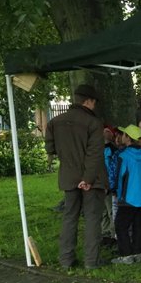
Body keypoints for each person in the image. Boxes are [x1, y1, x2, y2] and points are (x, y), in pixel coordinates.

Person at [44, 83, 109, 270]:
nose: (95, 106)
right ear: (88, 101)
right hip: (92, 180)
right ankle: (91, 261)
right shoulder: (93, 123)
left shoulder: (55, 122)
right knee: (92, 219)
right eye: (94, 102)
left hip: (68, 176)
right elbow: (95, 154)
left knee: (69, 217)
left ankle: (66, 260)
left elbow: (50, 148)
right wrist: (87, 179)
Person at [112, 125, 141, 264]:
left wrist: (117, 193)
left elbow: (120, 177)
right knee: (138, 225)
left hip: (128, 196)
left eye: (124, 134)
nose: (121, 136)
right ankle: (137, 252)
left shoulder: (124, 155)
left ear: (128, 138)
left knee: (120, 225)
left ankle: (126, 255)